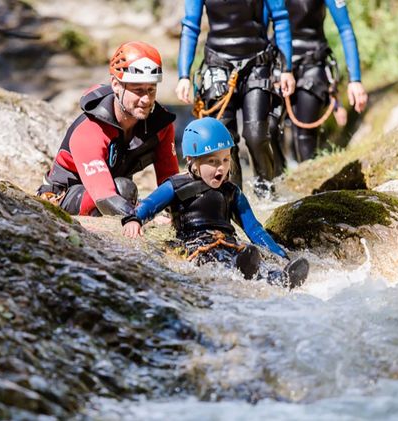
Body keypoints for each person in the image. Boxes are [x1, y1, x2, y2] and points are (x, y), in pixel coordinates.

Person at [122, 117, 309, 288]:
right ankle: (241, 269)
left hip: (228, 243)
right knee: (218, 258)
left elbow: (254, 229)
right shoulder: (175, 186)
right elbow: (149, 205)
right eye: (212, 161)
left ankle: (281, 277)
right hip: (196, 246)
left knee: (247, 256)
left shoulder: (231, 192)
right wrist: (134, 219)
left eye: (226, 159)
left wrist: (281, 256)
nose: (221, 167)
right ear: (192, 161)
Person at [37, 41, 179, 216]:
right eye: (138, 90)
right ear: (116, 85)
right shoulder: (90, 129)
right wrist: (140, 217)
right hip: (66, 195)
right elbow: (105, 196)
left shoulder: (161, 126)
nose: (146, 100)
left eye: (151, 90)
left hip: (116, 189)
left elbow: (171, 183)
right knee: (124, 189)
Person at [175, 0, 296, 197]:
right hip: (217, 64)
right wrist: (183, 76)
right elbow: (190, 25)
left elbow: (281, 18)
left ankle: (266, 194)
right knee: (224, 141)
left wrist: (286, 69)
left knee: (257, 134)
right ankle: (232, 199)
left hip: (258, 62)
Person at [284, 0, 368, 162]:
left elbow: (345, 29)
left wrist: (355, 80)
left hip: (313, 64)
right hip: (278, 65)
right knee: (268, 132)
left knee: (304, 135)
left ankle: (309, 182)